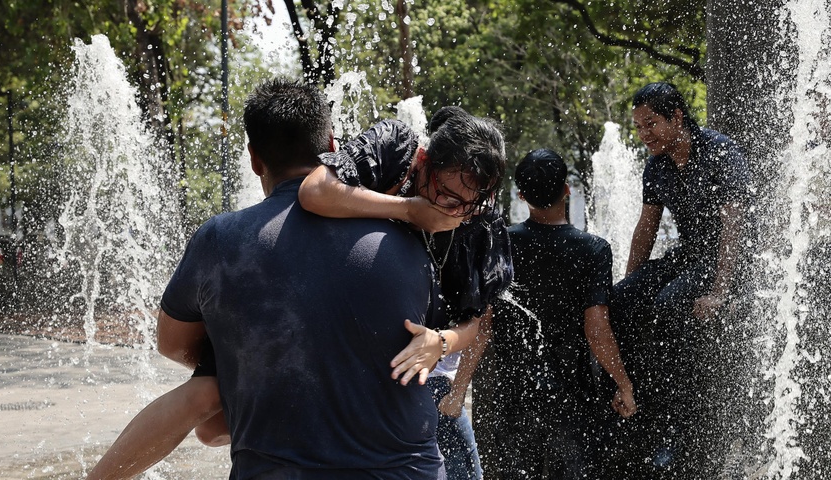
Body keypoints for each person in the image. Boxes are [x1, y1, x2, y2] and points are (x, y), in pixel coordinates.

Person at [89, 78, 456, 479]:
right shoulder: (408, 240)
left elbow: (172, 344)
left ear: (253, 158)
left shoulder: (221, 240)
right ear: (334, 147)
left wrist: (243, 363)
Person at [298, 105, 513, 480]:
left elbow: (475, 323)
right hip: (336, 360)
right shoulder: (395, 149)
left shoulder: (481, 218)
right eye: (447, 196)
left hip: (416, 378)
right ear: (424, 161)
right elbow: (314, 191)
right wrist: (408, 210)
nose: (456, 212)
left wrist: (441, 343)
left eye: (470, 203)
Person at [455, 149, 636, 479]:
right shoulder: (593, 250)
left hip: (512, 400)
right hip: (572, 400)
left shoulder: (501, 243)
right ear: (567, 189)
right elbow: (596, 328)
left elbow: (483, 324)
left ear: (522, 196)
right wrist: (624, 384)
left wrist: (457, 392)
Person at [608, 82, 751, 472]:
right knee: (620, 301)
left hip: (726, 259)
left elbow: (733, 225)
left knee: (669, 304)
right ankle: (630, 412)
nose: (644, 135)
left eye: (650, 124)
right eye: (638, 128)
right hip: (688, 256)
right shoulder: (656, 165)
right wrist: (629, 287)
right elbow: (646, 228)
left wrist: (721, 291)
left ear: (676, 117)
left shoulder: (719, 150)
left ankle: (678, 432)